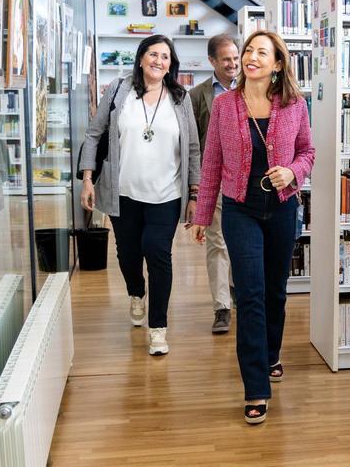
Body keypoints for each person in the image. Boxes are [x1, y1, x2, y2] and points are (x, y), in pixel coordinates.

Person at [191, 30, 314, 425]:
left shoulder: (295, 105)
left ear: (277, 64)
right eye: (249, 50)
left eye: (262, 52)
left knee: (275, 291)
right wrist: (202, 214)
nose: (251, 57)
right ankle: (255, 386)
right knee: (250, 294)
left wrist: (293, 171)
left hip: (281, 207)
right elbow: (211, 162)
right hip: (240, 209)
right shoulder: (225, 105)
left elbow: (308, 152)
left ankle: (271, 353)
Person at [79, 35, 201, 356]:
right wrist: (88, 179)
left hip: (167, 194)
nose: (159, 61)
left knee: (157, 252)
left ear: (171, 63)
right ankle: (136, 291)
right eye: (153, 54)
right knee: (128, 255)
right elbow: (94, 134)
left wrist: (194, 194)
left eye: (165, 56)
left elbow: (191, 148)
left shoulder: (180, 98)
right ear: (141, 58)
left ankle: (158, 329)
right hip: (124, 194)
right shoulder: (119, 91)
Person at [190, 34, 240, 334]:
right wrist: (196, 189)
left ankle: (236, 289)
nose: (233, 64)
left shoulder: (254, 88)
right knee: (217, 242)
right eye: (226, 59)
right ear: (212, 61)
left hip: (247, 180)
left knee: (240, 242)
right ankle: (222, 307)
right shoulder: (198, 95)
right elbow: (194, 143)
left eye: (235, 57)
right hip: (216, 179)